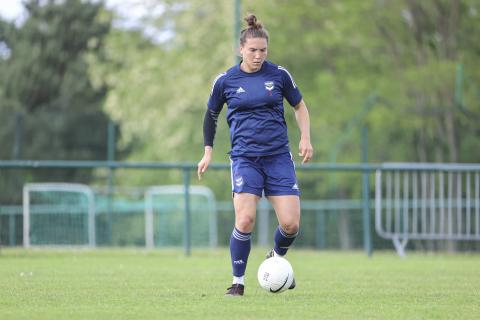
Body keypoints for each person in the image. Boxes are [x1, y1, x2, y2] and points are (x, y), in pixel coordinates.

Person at [197, 13, 313, 297]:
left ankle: (274, 258)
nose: (258, 55)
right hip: (245, 158)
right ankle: (238, 282)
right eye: (252, 50)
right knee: (245, 219)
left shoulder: (279, 74)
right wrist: (207, 151)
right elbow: (211, 114)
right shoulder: (226, 80)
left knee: (290, 224)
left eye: (263, 50)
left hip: (278, 157)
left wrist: (306, 138)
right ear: (241, 49)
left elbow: (299, 106)